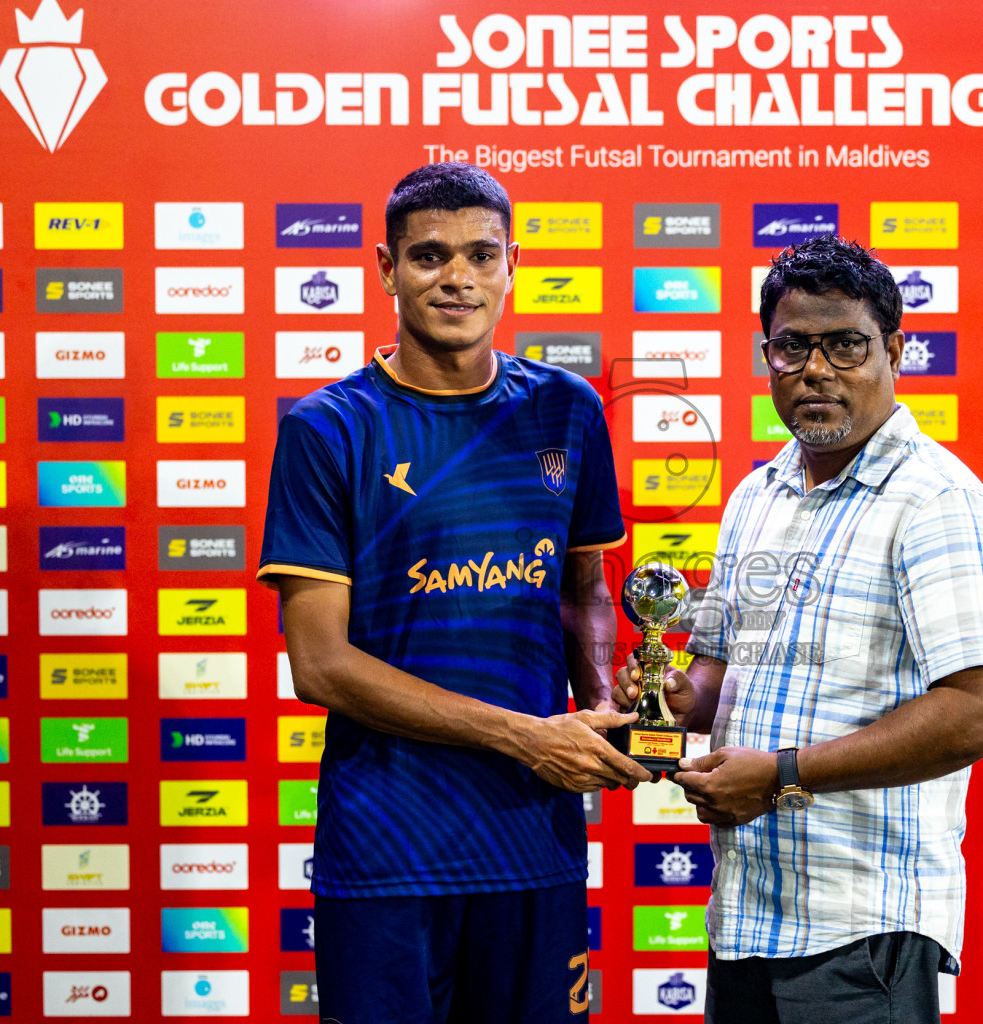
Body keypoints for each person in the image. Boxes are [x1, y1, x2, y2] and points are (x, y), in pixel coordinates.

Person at [258, 162, 651, 1024]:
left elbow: (583, 588)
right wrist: (525, 737)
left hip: (531, 843)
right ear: (385, 267)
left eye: (481, 254)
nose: (458, 277)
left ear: (513, 263)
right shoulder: (329, 429)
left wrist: (602, 704)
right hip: (386, 847)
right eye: (430, 256)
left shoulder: (566, 409)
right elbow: (320, 667)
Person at [614, 235, 983, 1023]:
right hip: (746, 917)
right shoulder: (758, 495)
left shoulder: (936, 501)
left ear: (895, 351)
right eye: (794, 346)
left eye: (846, 345)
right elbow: (720, 673)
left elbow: (980, 712)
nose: (817, 370)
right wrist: (671, 692)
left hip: (861, 932)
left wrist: (783, 774)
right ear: (767, 354)